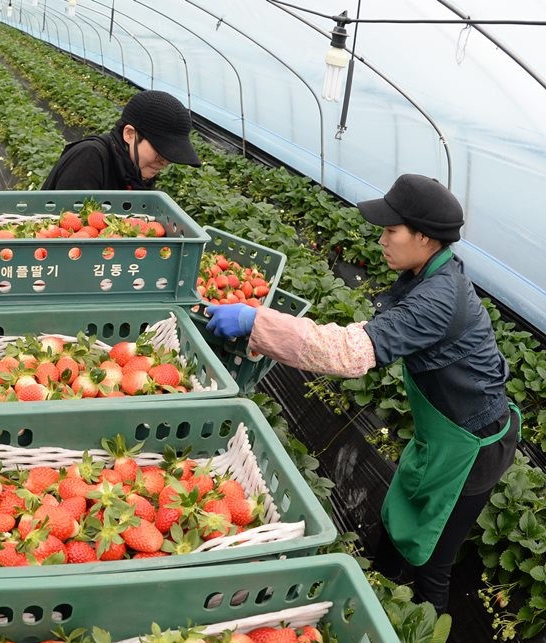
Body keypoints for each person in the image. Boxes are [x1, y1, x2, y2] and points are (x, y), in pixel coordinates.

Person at [206, 174, 520, 614]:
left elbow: (351, 352)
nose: (382, 239)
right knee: (397, 515)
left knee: (433, 559)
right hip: (441, 435)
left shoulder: (439, 299)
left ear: (425, 238)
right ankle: (378, 587)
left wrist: (257, 322)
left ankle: (419, 640)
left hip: (472, 446)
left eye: (391, 230)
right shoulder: (429, 273)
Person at [41, 89, 202, 191]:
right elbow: (69, 228)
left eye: (170, 156)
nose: (164, 162)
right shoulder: (90, 158)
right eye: (160, 151)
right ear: (130, 134)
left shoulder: (135, 171)